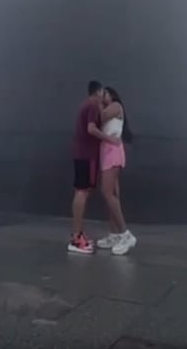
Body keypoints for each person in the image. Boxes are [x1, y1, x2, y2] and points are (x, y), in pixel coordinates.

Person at [68, 80, 119, 254]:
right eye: (102, 92)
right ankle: (76, 238)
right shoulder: (92, 106)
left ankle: (78, 234)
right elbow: (91, 128)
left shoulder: (86, 105)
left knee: (82, 191)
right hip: (86, 156)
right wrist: (109, 139)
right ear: (97, 92)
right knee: (82, 192)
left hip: (81, 154)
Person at [97, 86, 136, 256]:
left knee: (107, 192)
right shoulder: (108, 107)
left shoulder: (115, 106)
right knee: (112, 193)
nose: (102, 96)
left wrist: (98, 102)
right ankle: (114, 234)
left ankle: (125, 234)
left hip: (112, 152)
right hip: (106, 152)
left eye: (104, 93)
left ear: (111, 94)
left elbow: (101, 117)